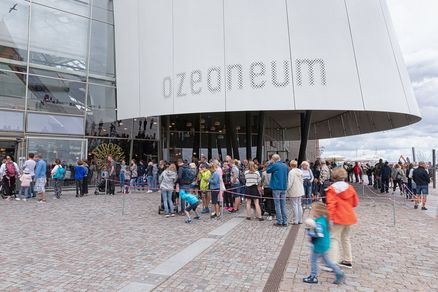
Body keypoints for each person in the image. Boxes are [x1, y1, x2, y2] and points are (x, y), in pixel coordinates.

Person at [303, 202, 345, 285]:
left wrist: (308, 230)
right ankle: (339, 273)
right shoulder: (323, 218)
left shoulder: (319, 222)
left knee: (314, 260)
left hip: (319, 245)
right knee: (327, 261)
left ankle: (313, 276)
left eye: (313, 210)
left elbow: (317, 234)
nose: (311, 211)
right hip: (324, 244)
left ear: (317, 211)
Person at [326, 168, 359, 269]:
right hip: (349, 216)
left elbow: (331, 205)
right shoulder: (350, 187)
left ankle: (332, 262)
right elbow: (355, 202)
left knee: (333, 238)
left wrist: (329, 218)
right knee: (345, 238)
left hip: (337, 217)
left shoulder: (332, 189)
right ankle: (347, 259)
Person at [267, 154, 289, 227]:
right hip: (283, 187)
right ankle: (285, 222)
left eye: (272, 159)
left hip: (276, 187)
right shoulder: (285, 166)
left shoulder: (275, 165)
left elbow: (268, 170)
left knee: (277, 205)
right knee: (283, 205)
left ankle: (279, 221)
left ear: (274, 159)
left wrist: (270, 163)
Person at [287, 160, 304, 225]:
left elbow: (290, 182)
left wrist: (287, 189)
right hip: (300, 190)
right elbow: (302, 181)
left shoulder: (291, 172)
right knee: (299, 205)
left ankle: (295, 220)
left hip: (293, 190)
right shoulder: (300, 171)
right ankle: (300, 219)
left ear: (291, 165)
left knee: (294, 205)